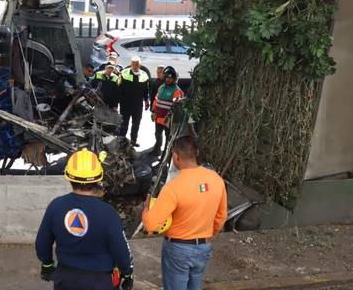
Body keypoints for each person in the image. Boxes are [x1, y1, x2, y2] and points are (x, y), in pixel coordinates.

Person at [35, 148, 134, 290]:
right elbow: (121, 249)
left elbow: (42, 242)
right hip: (99, 280)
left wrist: (47, 264)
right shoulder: (107, 213)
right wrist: (127, 273)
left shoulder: (55, 206)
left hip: (65, 278)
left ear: (69, 177)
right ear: (98, 178)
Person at [142, 136, 227, 290]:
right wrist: (208, 235)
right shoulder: (216, 180)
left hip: (178, 250)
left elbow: (151, 225)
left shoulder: (173, 187)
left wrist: (147, 208)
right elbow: (221, 217)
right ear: (197, 153)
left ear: (175, 156)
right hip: (204, 247)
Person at [150, 66, 184, 155]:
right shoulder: (161, 87)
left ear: (174, 79)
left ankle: (166, 154)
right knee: (157, 134)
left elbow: (177, 109)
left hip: (169, 120)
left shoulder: (177, 91)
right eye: (167, 77)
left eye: (170, 78)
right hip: (158, 117)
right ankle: (157, 150)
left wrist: (170, 119)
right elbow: (156, 100)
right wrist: (153, 112)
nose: (168, 80)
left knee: (168, 138)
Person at [118, 56, 150, 147]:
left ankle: (133, 141)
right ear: (130, 64)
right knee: (124, 123)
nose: (135, 66)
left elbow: (146, 90)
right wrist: (119, 102)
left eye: (137, 64)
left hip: (138, 105)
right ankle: (121, 140)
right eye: (133, 64)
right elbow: (119, 88)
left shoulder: (144, 75)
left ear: (140, 65)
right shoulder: (124, 73)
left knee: (136, 124)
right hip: (126, 104)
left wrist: (146, 101)